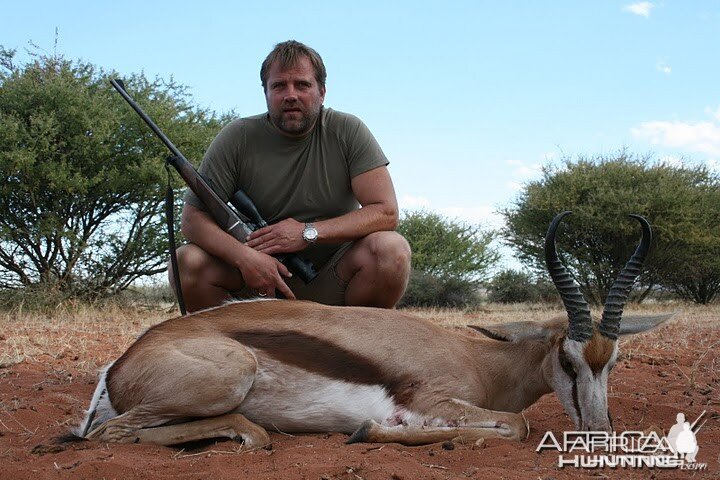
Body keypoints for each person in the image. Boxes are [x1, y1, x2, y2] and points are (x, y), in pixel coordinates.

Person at [171, 40, 411, 313]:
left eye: (302, 84)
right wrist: (245, 258)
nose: (290, 95)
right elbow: (192, 219)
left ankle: (355, 347)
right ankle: (236, 350)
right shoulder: (236, 137)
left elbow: (386, 213)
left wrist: (306, 233)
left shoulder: (348, 130)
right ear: (265, 92)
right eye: (279, 86)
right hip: (259, 282)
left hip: (333, 282)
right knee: (186, 263)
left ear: (322, 91)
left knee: (391, 250)